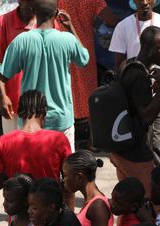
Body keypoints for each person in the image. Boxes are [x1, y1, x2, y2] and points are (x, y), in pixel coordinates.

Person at [0, 0, 89, 152]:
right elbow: (84, 60)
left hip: (31, 120)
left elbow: (3, 73)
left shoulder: (21, 41)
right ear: (56, 13)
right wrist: (71, 27)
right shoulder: (67, 39)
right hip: (62, 119)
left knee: (31, 169)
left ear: (34, 12)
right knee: (65, 168)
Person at [110, 0, 160, 163]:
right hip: (135, 94)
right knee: (140, 143)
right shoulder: (123, 27)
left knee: (157, 145)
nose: (144, 2)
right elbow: (119, 64)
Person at [109, 26, 160, 189]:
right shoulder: (139, 75)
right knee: (148, 198)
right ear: (148, 48)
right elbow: (147, 116)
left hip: (121, 147)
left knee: (128, 200)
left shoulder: (128, 64)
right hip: (135, 153)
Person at [0, 90, 71, 195]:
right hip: (50, 208)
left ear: (20, 113)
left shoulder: (4, 141)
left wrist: (11, 175)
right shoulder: (59, 139)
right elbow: (69, 185)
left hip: (17, 209)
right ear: (44, 113)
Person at [58, 0, 119, 138]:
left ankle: (64, 138)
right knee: (88, 93)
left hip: (59, 47)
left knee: (63, 91)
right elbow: (111, 19)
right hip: (82, 48)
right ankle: (93, 140)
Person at [0, 0, 37, 134]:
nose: (31, 5)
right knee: (14, 149)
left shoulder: (47, 20)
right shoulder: (4, 22)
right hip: (14, 101)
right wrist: (3, 96)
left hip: (42, 104)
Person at [63, 150, 113, 226]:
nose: (63, 180)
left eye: (65, 175)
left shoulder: (98, 206)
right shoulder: (90, 202)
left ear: (79, 177)